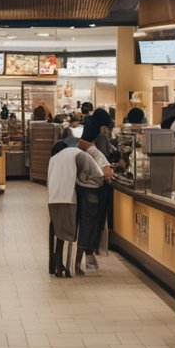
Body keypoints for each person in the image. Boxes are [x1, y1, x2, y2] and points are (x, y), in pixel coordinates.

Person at [48, 137, 105, 277]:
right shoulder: (78, 155)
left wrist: (78, 181)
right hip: (76, 197)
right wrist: (81, 183)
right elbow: (99, 177)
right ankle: (71, 266)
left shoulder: (56, 159)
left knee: (59, 231)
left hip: (54, 199)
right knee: (79, 229)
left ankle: (57, 265)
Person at [77, 110, 115, 271]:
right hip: (94, 190)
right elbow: (106, 173)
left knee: (85, 223)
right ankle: (88, 256)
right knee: (91, 224)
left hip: (82, 188)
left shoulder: (82, 145)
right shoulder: (95, 148)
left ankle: (84, 257)